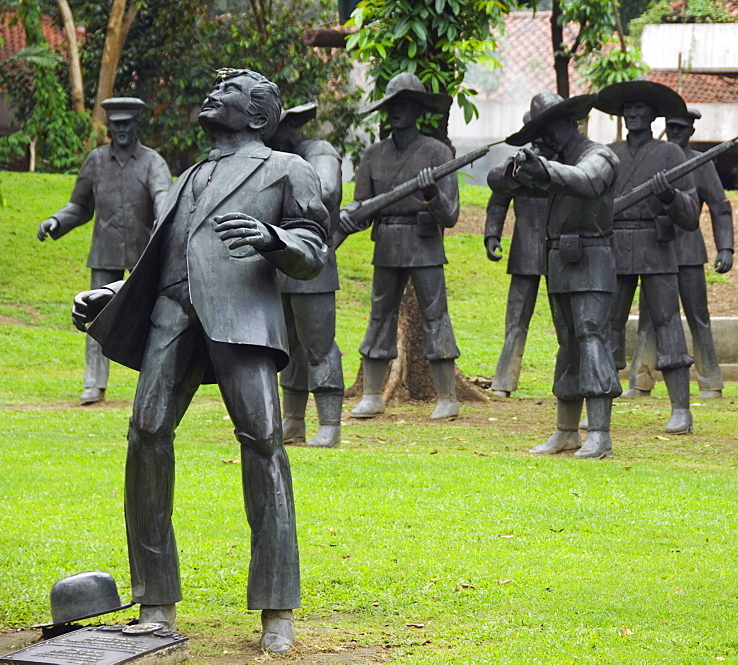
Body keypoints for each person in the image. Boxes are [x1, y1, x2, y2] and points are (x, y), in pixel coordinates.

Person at [72, 68, 329, 654]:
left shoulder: (287, 169)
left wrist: (273, 238)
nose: (212, 95)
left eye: (230, 93)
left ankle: (276, 608)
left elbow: (314, 247)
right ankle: (156, 597)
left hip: (241, 319)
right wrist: (111, 297)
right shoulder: (188, 176)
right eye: (213, 89)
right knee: (145, 434)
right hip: (172, 314)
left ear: (259, 115)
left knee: (264, 442)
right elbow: (162, 257)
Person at [333, 73, 461, 420]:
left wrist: (431, 193)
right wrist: (347, 218)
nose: (397, 113)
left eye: (404, 105)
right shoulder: (373, 155)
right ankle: (373, 394)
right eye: (392, 106)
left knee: (436, 316)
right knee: (379, 315)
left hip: (425, 243)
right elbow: (361, 208)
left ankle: (447, 396)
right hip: (387, 242)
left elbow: (450, 216)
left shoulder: (438, 152)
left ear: (418, 110)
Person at [500, 90, 620, 459]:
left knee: (590, 337)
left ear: (566, 124)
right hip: (560, 262)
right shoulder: (553, 164)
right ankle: (566, 431)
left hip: (593, 260)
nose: (541, 140)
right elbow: (498, 182)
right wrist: (520, 169)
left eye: (545, 130)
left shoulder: (600, 156)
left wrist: (546, 170)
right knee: (568, 344)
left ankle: (599, 433)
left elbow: (586, 181)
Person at [38, 97, 172, 405]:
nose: (122, 130)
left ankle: (154, 385)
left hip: (144, 253)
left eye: (127, 124)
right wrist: (56, 221)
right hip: (105, 250)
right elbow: (80, 206)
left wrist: (163, 227)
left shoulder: (153, 162)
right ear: (109, 126)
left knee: (154, 317)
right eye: (116, 124)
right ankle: (93, 383)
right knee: (94, 315)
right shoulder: (96, 162)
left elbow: (163, 198)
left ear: (136, 124)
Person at [595, 79, 701, 434]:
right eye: (628, 108)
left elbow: (690, 215)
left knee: (668, 322)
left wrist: (669, 196)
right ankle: (599, 406)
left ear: (655, 114)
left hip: (657, 247)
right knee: (607, 325)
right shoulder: (608, 154)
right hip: (615, 247)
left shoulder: (671, 154)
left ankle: (681, 409)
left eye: (641, 107)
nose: (633, 113)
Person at [623, 107, 734, 400]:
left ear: (691, 132)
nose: (675, 133)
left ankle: (710, 381)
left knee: (698, 317)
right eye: (670, 127)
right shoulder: (653, 157)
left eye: (681, 129)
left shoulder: (700, 163)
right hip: (657, 248)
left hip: (688, 250)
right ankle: (640, 379)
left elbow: (720, 207)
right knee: (649, 318)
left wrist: (726, 247)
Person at [266, 102, 345, 447]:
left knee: (318, 343)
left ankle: (329, 423)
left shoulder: (319, 152)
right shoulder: (272, 157)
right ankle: (293, 419)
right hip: (277, 261)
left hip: (313, 262)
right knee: (287, 345)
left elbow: (325, 192)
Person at [483, 121, 550, 398]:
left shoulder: (565, 163)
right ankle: (504, 380)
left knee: (567, 322)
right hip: (524, 249)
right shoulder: (515, 164)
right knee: (515, 319)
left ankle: (574, 380)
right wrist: (491, 236)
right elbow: (498, 201)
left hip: (561, 251)